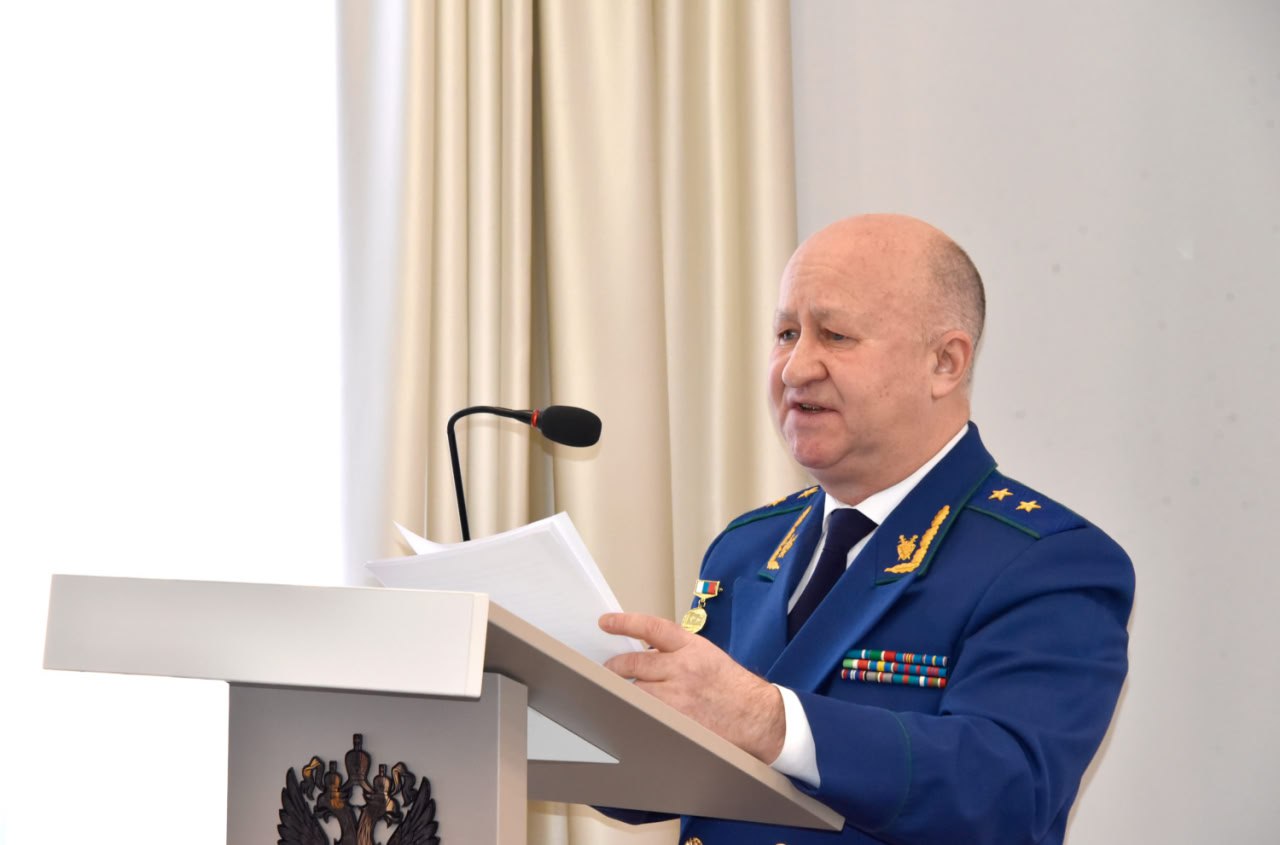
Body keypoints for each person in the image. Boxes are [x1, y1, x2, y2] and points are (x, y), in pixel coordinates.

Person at [599, 214, 1134, 844]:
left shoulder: (1048, 562)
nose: (795, 368)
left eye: (836, 335)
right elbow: (664, 778)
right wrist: (569, 704)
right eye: (786, 333)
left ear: (945, 363)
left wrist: (767, 720)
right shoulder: (747, 546)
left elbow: (1005, 791)